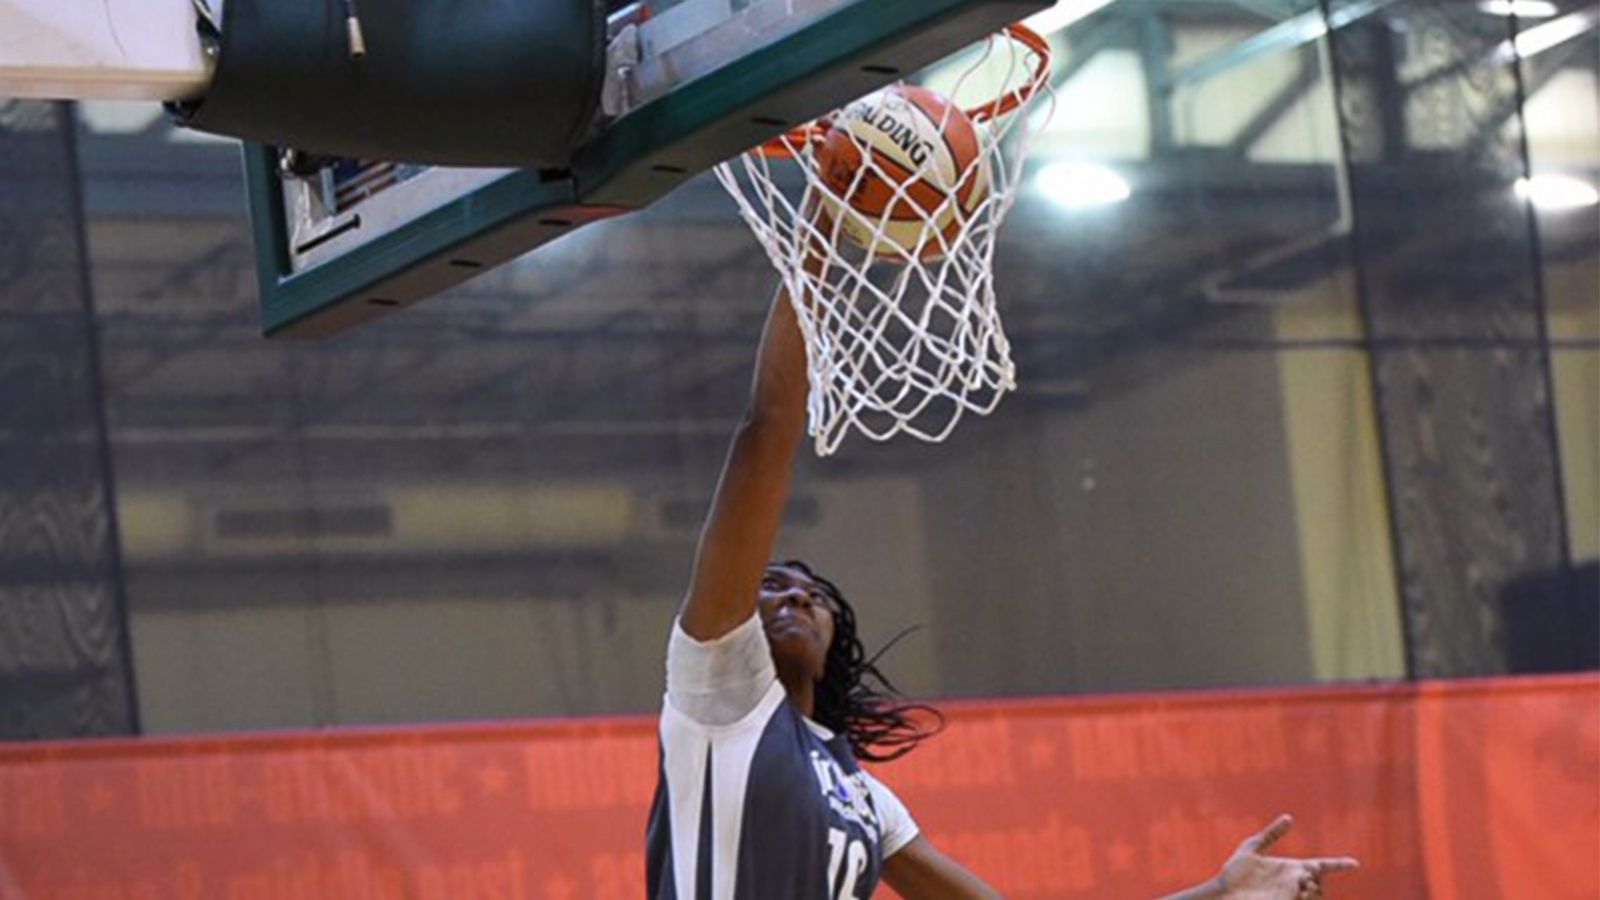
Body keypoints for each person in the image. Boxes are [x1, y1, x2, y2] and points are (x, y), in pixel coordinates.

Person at [645, 285, 1359, 899]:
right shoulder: (721, 691)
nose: (795, 596)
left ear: (836, 646)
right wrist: (818, 249)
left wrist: (1217, 891)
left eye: (814, 594)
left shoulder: (862, 794)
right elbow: (767, 424)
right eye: (772, 584)